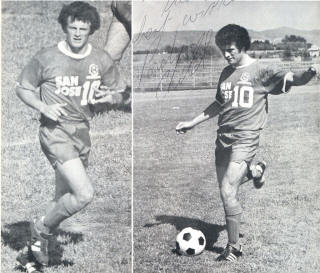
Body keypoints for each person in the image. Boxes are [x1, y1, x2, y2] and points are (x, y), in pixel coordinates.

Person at [176, 24, 317, 262]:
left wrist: (311, 71)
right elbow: (218, 105)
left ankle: (234, 247)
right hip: (224, 137)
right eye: (223, 51)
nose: (227, 55)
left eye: (230, 49)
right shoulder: (225, 73)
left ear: (243, 46)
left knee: (227, 190)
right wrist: (193, 121)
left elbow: (295, 79)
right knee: (228, 188)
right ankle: (257, 170)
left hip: (246, 137)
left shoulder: (262, 70)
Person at [16, 1, 123, 267]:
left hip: (82, 133)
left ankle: (31, 257)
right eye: (72, 27)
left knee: (62, 198)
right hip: (55, 133)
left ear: (91, 30)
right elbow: (22, 88)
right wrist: (43, 106)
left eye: (82, 29)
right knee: (84, 193)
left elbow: (120, 92)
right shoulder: (47, 57)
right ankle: (40, 230)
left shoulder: (101, 59)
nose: (76, 33)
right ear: (65, 26)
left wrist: (111, 96)